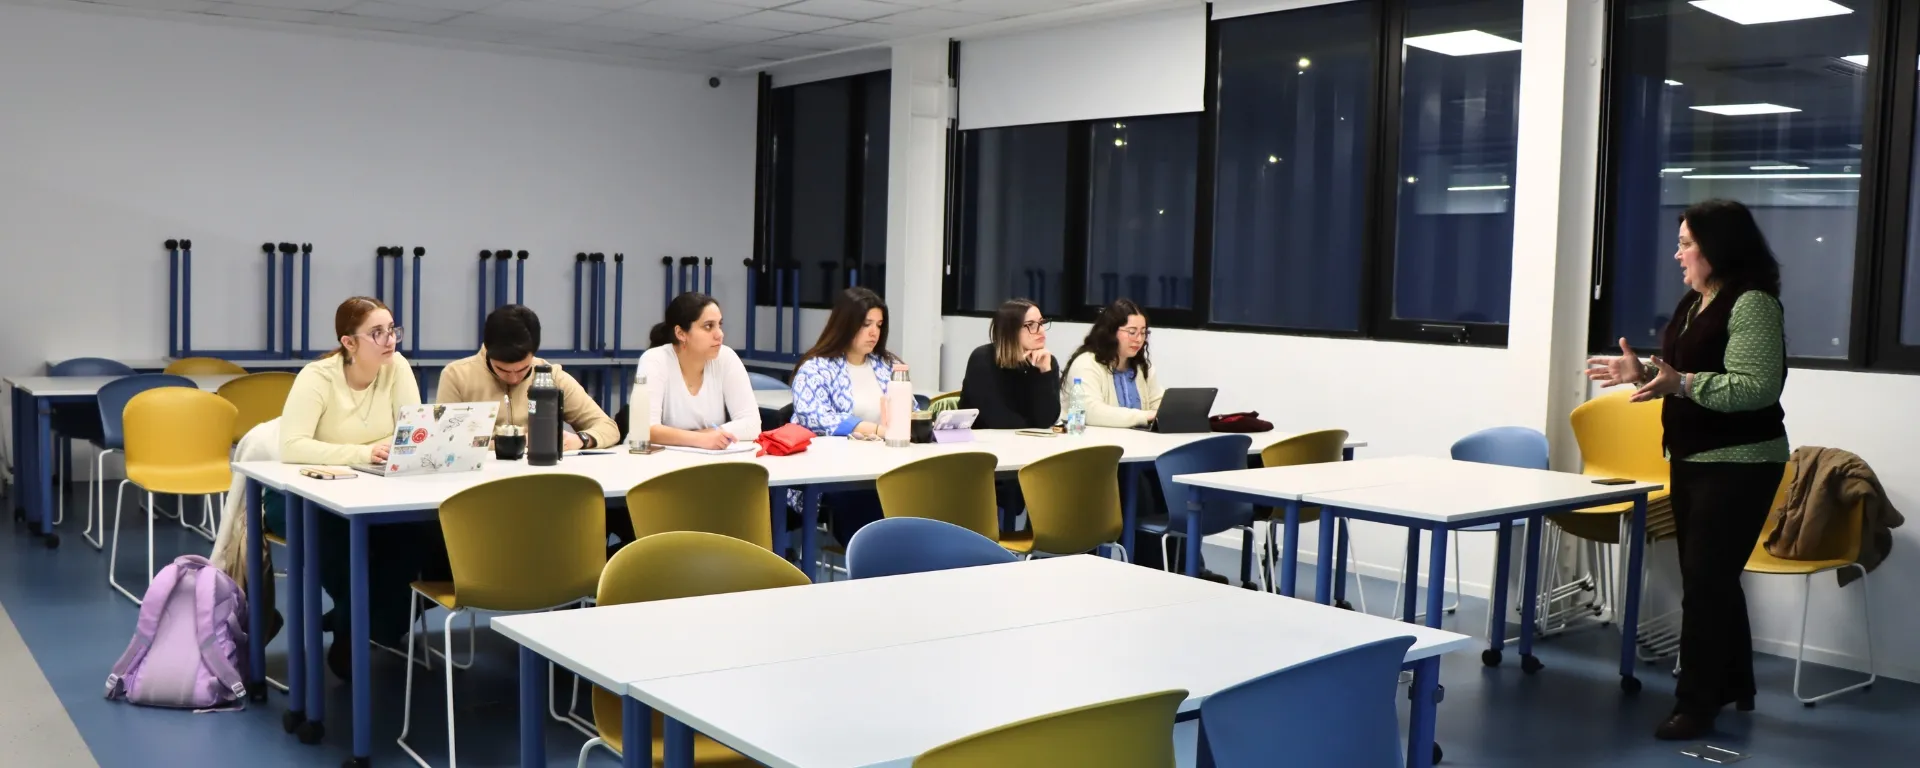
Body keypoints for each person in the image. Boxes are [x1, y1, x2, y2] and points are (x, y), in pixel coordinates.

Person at [1586, 198, 1788, 741]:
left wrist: (1680, 383)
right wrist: (1644, 370)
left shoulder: (1752, 304)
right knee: (1712, 580)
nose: (1678, 254)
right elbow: (1690, 369)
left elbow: (1756, 387)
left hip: (1742, 462)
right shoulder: (1697, 301)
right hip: (1694, 459)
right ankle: (1734, 684)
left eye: (1686, 244)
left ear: (1716, 248)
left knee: (1704, 585)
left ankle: (1696, 705)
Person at [273, 296, 440, 680]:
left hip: (373, 490)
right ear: (349, 343)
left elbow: (411, 433)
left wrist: (381, 449)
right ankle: (354, 629)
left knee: (418, 543)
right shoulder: (318, 377)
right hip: (301, 494)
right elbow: (292, 446)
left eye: (392, 330)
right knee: (346, 546)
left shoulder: (395, 367)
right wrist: (364, 451)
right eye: (376, 333)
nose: (390, 340)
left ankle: (352, 624)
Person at [790, 287, 904, 542]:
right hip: (837, 473)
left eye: (879, 324)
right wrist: (874, 429)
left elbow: (908, 412)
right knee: (871, 502)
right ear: (845, 324)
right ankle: (876, 562)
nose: (874, 332)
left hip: (884, 467)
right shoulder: (816, 367)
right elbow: (814, 416)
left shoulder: (887, 365)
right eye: (866, 324)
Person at [436, 304, 619, 451]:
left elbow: (608, 427)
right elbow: (444, 443)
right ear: (487, 352)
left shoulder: (550, 376)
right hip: (476, 483)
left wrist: (580, 439)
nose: (514, 378)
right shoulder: (456, 376)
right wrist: (516, 442)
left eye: (523, 369)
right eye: (503, 370)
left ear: (533, 354)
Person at [634, 292, 760, 448]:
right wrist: (702, 439)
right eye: (708, 326)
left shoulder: (726, 357)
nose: (719, 334)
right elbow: (644, 429)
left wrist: (704, 437)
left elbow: (752, 424)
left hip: (705, 460)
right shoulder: (654, 360)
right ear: (680, 333)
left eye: (719, 324)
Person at [959, 299, 1061, 430]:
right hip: (980, 444)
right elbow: (999, 420)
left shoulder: (1046, 361)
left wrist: (1045, 371)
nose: (1041, 331)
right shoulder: (982, 359)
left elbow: (1047, 420)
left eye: (1041, 323)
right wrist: (1033, 425)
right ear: (1010, 331)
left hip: (1027, 443)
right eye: (1031, 325)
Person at [1062, 298, 1163, 428]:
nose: (1139, 339)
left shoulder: (1143, 367)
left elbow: (1159, 406)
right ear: (1111, 332)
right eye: (1132, 332)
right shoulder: (1086, 363)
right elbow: (1090, 412)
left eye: (1143, 333)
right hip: (1092, 443)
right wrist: (1144, 416)